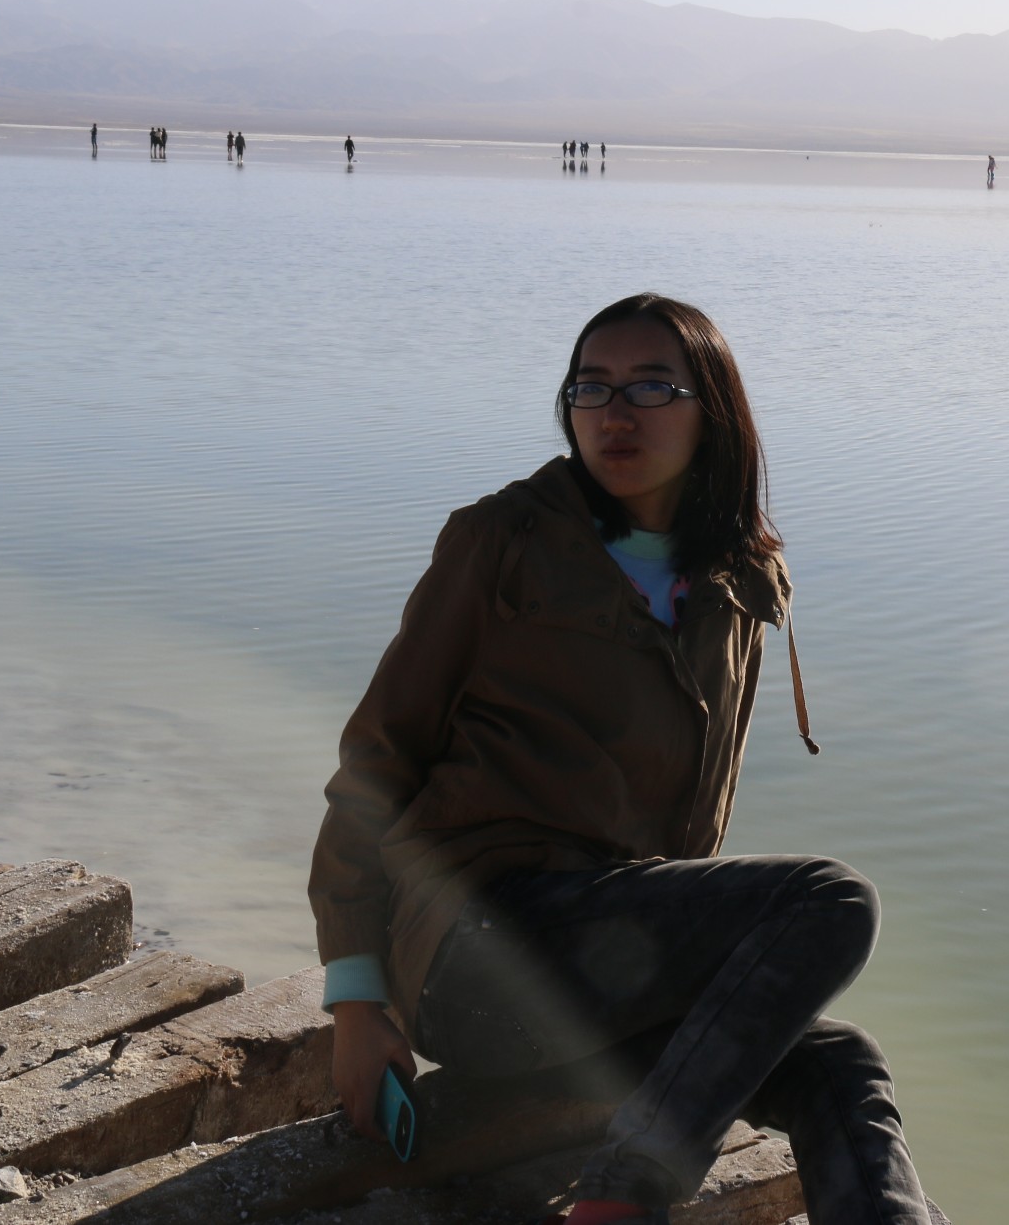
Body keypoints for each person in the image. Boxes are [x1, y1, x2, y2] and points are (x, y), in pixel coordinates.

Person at [310, 294, 931, 1225]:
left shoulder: (740, 582)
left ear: (712, 412)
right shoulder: (503, 541)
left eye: (650, 387)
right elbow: (376, 764)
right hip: (478, 951)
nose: (614, 413)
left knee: (837, 1060)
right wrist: (357, 1003)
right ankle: (622, 1193)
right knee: (829, 898)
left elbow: (689, 826)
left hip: (609, 976)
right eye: (591, 387)